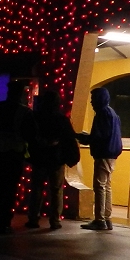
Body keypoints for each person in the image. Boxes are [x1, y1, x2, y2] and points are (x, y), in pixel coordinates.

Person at [0, 79, 38, 234]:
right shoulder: (24, 112)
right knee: (10, 189)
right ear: (21, 93)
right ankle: (5, 221)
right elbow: (31, 134)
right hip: (14, 154)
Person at [27, 89, 80, 231]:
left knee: (37, 189)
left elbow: (29, 135)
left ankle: (33, 218)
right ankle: (55, 220)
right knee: (56, 190)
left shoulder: (36, 117)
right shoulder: (61, 119)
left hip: (39, 157)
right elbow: (69, 138)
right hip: (56, 159)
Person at [77, 86, 122, 231]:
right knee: (107, 186)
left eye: (92, 99)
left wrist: (82, 137)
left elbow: (99, 136)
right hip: (112, 154)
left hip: (103, 154)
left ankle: (99, 220)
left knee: (99, 186)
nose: (91, 102)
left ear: (99, 99)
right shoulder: (113, 114)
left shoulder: (102, 114)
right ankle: (107, 218)